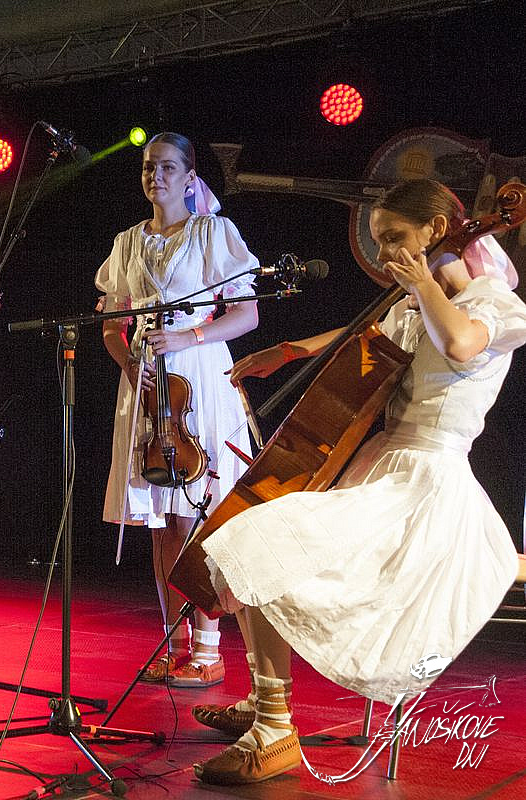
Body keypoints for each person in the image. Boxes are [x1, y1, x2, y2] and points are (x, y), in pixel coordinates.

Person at [191, 178, 526, 784]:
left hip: (425, 490)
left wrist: (424, 284)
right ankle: (267, 704)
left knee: (258, 543)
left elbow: (458, 343)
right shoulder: (409, 305)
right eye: (378, 243)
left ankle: (273, 727)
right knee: (248, 538)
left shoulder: (494, 305)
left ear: (437, 231)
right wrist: (289, 350)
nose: (385, 255)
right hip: (379, 469)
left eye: (395, 238)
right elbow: (360, 343)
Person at [95, 132, 259, 688]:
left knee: (196, 513)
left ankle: (209, 649)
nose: (155, 176)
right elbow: (112, 323)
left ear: (190, 178)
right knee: (161, 520)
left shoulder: (213, 232)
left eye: (167, 167)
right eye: (149, 167)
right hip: (146, 381)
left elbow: (246, 315)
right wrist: (126, 360)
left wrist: (188, 338)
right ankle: (173, 643)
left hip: (199, 373)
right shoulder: (127, 243)